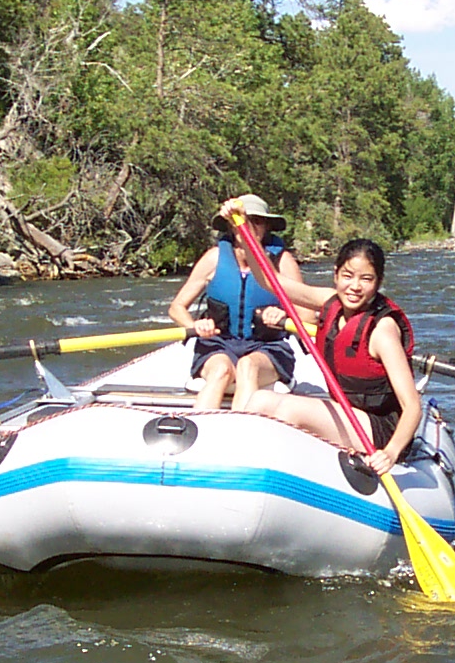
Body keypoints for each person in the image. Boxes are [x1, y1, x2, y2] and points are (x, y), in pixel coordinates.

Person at [251, 238, 423, 475]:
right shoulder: (329, 302)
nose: (355, 286)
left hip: (382, 430)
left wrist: (391, 452)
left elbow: (412, 405)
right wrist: (243, 232)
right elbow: (270, 281)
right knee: (259, 400)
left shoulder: (382, 331)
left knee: (287, 409)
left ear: (378, 282)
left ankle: (280, 475)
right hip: (348, 413)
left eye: (366, 279)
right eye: (348, 275)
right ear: (336, 275)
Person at [167, 195, 331, 412]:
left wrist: (285, 318)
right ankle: (202, 428)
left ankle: (241, 431)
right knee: (220, 372)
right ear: (230, 225)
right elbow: (176, 308)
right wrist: (195, 326)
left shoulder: (283, 262)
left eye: (258, 221)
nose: (249, 227)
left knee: (247, 367)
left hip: (268, 348)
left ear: (267, 227)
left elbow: (308, 318)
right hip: (218, 344)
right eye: (244, 220)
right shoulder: (214, 258)